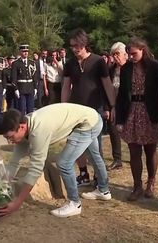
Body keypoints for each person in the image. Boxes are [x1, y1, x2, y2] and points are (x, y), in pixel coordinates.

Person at [0, 103, 112, 218]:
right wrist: (1, 186)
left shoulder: (38, 131)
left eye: (10, 137)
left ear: (21, 127)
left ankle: (75, 204)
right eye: (7, 138)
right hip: (91, 117)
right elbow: (14, 161)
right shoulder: (25, 125)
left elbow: (35, 169)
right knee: (93, 156)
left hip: (88, 124)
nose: (9, 142)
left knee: (64, 163)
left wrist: (17, 202)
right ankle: (104, 190)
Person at [61, 28, 116, 186]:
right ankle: (83, 173)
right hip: (75, 109)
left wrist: (112, 106)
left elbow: (107, 85)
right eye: (72, 46)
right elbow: (66, 86)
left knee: (95, 146)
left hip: (94, 109)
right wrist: (64, 107)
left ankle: (100, 178)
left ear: (84, 44)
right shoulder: (70, 63)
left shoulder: (98, 61)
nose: (74, 49)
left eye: (77, 45)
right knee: (75, 143)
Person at [115, 38, 158, 199]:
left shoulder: (155, 67)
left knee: (150, 149)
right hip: (132, 112)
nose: (131, 57)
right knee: (134, 150)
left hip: (150, 112)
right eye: (129, 54)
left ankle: (151, 182)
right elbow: (122, 94)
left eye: (134, 53)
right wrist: (120, 120)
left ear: (143, 50)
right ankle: (137, 186)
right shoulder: (126, 68)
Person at [105, 42, 127, 170]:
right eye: (113, 54)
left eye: (118, 54)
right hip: (114, 104)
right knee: (113, 130)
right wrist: (108, 108)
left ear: (125, 54)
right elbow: (106, 89)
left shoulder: (131, 68)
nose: (115, 57)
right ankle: (117, 159)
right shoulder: (111, 69)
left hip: (129, 104)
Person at [11, 44, 40, 115]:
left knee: (30, 109)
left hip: (30, 88)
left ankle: (29, 124)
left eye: (27, 51)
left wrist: (35, 88)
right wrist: (16, 89)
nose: (26, 53)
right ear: (20, 52)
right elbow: (14, 77)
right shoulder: (16, 63)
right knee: (22, 109)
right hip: (21, 88)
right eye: (24, 51)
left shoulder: (32, 63)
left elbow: (35, 76)